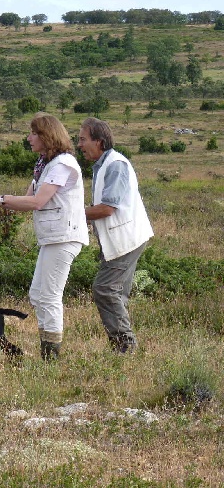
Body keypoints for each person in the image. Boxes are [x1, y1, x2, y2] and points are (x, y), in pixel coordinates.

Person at [0, 112, 88, 360]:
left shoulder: (62, 164)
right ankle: (47, 350)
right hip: (52, 238)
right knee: (38, 294)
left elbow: (37, 201)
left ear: (47, 136)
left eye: (34, 133)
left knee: (48, 296)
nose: (29, 138)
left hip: (63, 237)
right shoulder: (45, 165)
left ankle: (51, 357)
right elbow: (27, 198)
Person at [78, 117, 153, 353]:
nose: (79, 145)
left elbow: (108, 208)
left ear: (99, 141)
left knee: (105, 289)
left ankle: (125, 345)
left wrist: (71, 216)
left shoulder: (115, 165)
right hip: (123, 239)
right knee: (116, 292)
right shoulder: (104, 165)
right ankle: (124, 347)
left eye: (83, 139)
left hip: (126, 240)